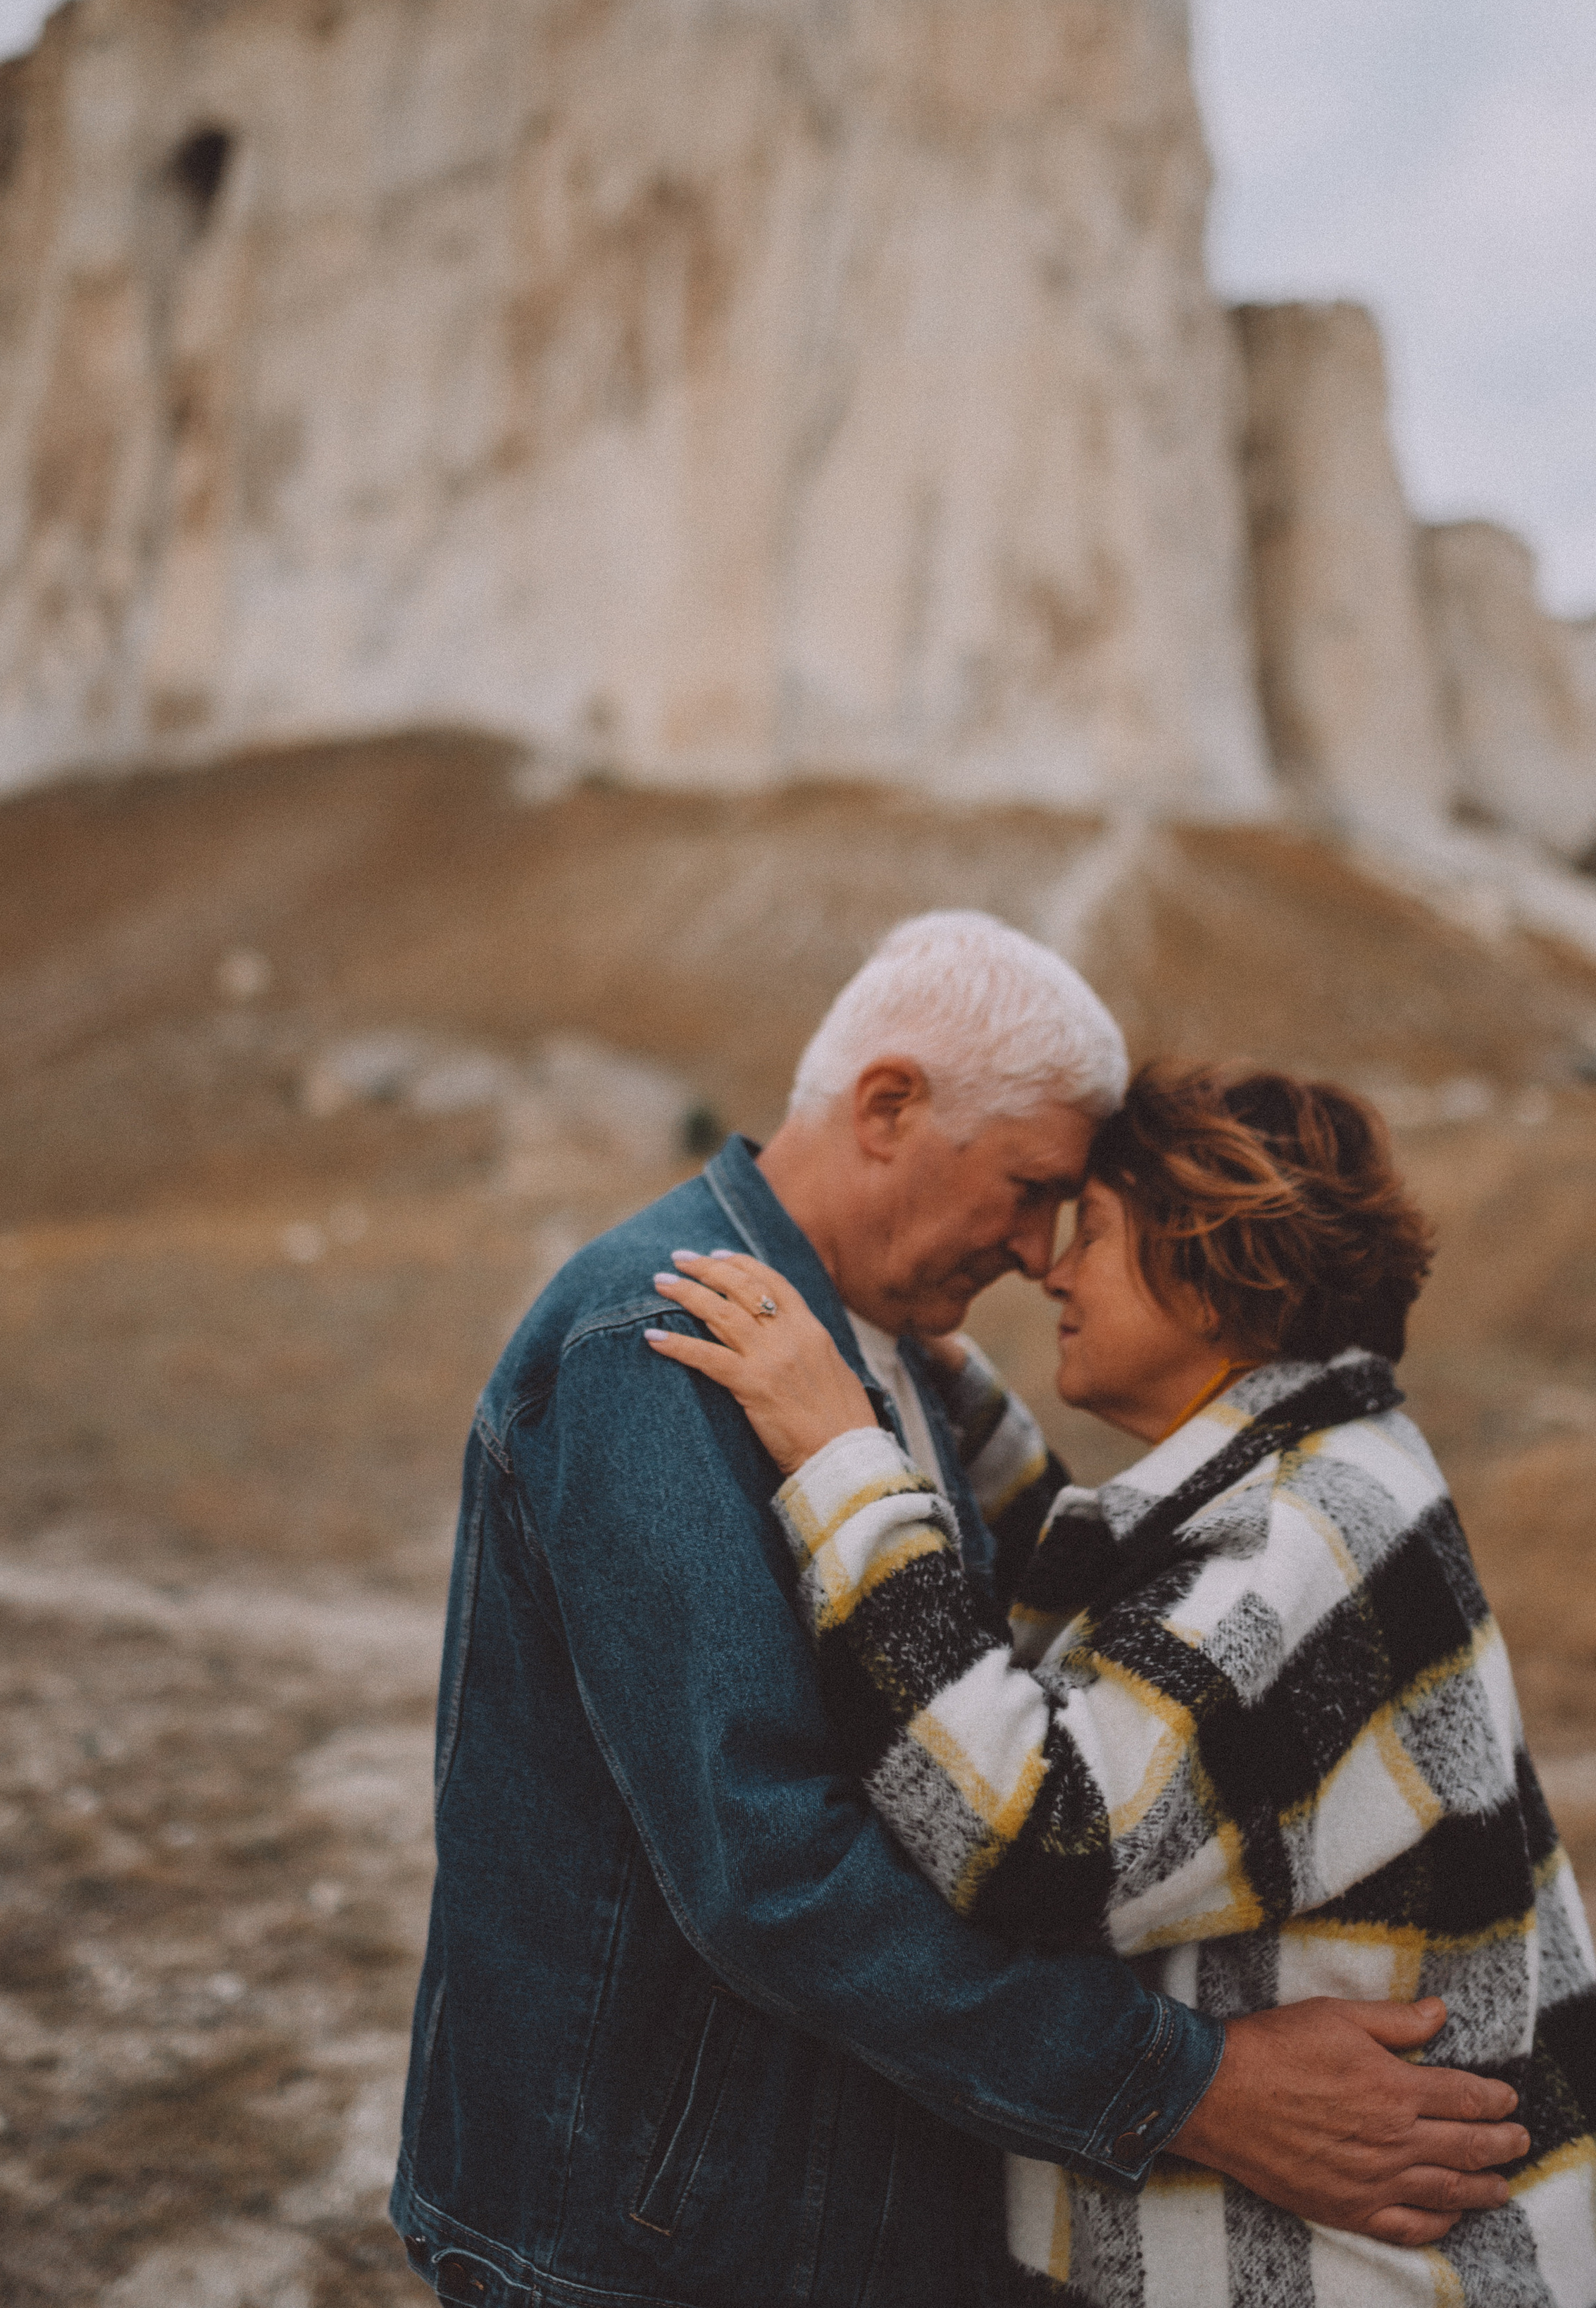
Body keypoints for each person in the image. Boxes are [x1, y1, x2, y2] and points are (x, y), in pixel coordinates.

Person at [392, 914, 1529, 2308]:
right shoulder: (660, 1345)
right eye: (1029, 1187)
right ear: (887, 1109)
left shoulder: (870, 1350)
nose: (1035, 1249)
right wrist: (1180, 2086)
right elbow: (773, 1872)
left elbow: (1014, 1631)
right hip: (649, 2242)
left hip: (820, 2219)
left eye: (1076, 1215)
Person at [645, 1055, 1596, 2303]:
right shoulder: (1331, 1465)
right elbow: (1138, 1632)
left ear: (1214, 1268)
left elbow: (1031, 1844)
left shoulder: (1301, 1541)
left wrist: (841, 1460)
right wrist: (928, 1371)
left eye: (1090, 1231)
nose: (1048, 1268)